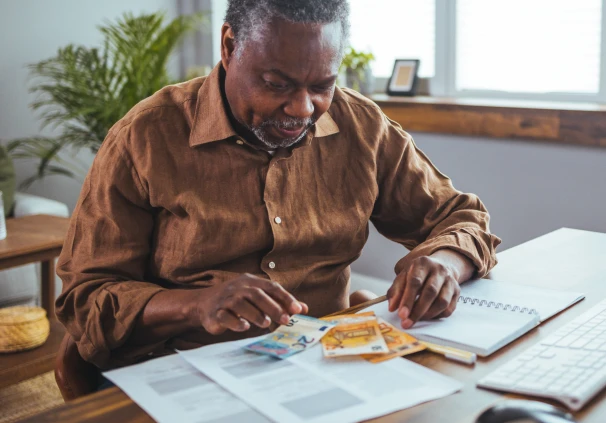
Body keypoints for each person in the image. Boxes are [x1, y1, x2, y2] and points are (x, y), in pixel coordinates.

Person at [56, 0, 500, 370]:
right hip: (184, 365)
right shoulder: (145, 137)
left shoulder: (360, 125)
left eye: (322, 84)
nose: (303, 108)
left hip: (326, 363)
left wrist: (444, 262)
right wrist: (196, 305)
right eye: (276, 84)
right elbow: (85, 298)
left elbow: (461, 218)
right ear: (230, 47)